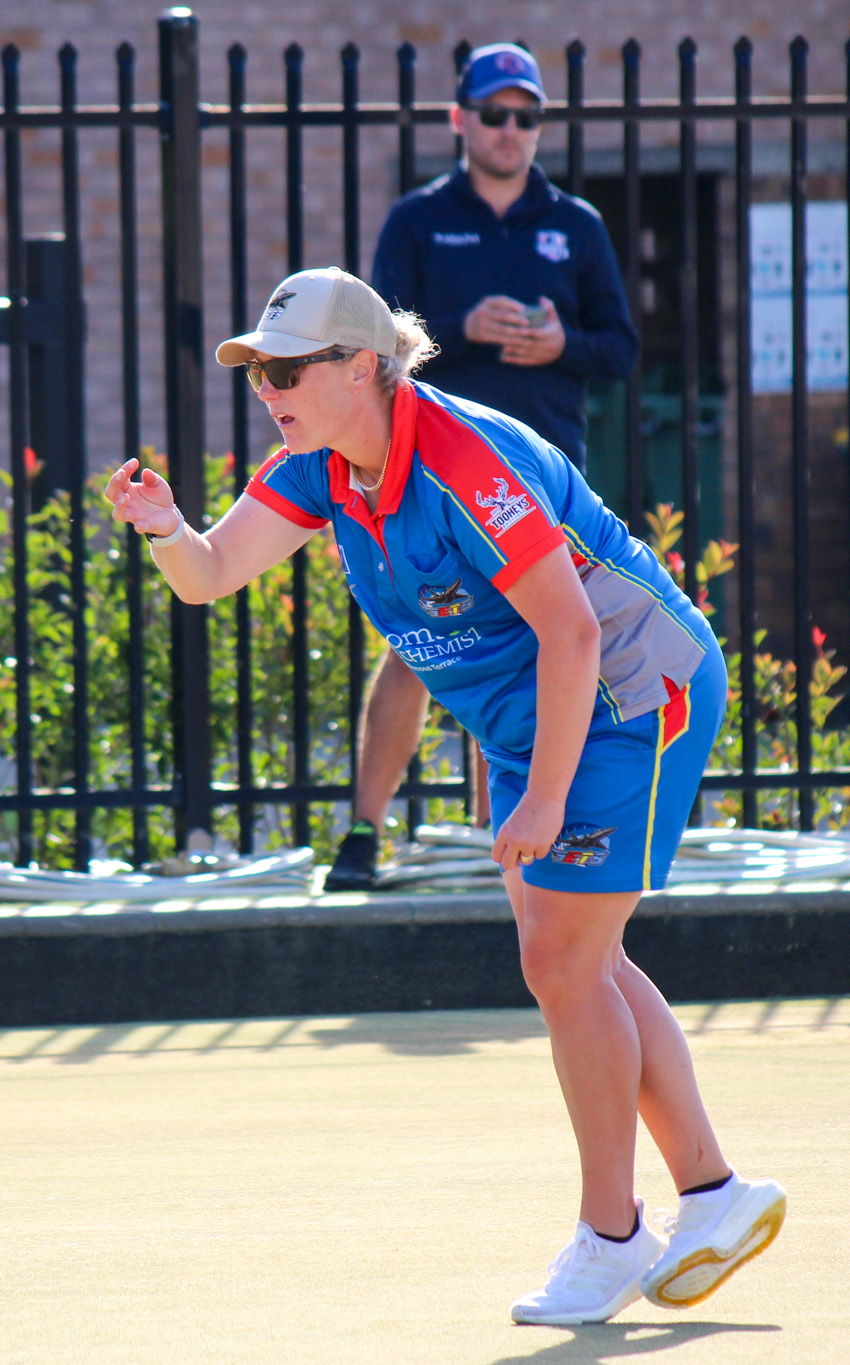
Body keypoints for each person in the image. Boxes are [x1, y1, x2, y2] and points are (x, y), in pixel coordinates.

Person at [105, 267, 783, 1324]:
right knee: (580, 963)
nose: (267, 387)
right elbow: (210, 573)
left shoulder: (469, 460)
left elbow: (569, 633)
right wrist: (161, 526)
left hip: (629, 689)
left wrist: (544, 796)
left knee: (560, 961)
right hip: (541, 713)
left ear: (365, 366)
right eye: (257, 371)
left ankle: (611, 1237)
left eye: (287, 368)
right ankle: (713, 1194)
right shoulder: (317, 467)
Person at [323, 42, 639, 891]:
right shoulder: (418, 221)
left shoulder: (577, 225)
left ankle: (501, 838)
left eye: (527, 116)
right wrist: (468, 328)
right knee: (419, 646)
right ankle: (364, 831)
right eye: (495, 115)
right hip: (430, 479)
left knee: (545, 644)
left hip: (543, 479)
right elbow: (373, 350)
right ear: (460, 120)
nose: (511, 131)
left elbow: (622, 349)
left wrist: (558, 342)